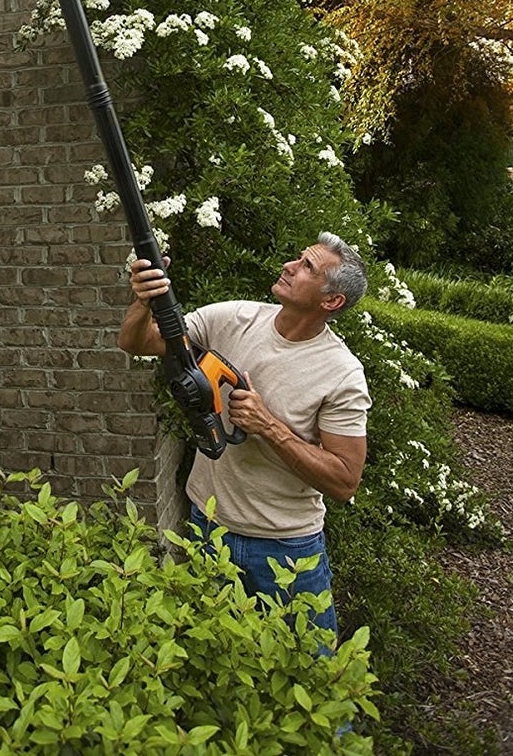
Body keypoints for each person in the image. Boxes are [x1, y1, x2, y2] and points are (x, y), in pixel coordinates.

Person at [118, 233, 371, 636]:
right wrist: (143, 303)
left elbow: (344, 480)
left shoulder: (341, 374)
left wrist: (268, 426)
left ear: (332, 301)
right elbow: (139, 342)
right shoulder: (233, 318)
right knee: (214, 665)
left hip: (285, 550)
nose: (290, 265)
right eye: (298, 257)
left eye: (307, 266)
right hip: (208, 528)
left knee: (305, 669)